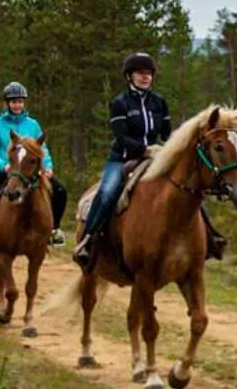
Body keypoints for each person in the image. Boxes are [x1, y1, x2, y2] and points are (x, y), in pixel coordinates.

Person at [73, 53, 171, 268]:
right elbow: (121, 136)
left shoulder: (159, 102)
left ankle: (208, 238)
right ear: (130, 76)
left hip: (155, 158)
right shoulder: (120, 103)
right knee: (107, 192)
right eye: (140, 73)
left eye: (148, 74)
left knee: (184, 185)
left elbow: (166, 133)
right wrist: (144, 150)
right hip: (123, 159)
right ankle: (88, 240)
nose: (145, 77)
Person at [0, 81, 69, 254]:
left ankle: (54, 230)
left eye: (20, 101)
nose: (17, 105)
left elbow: (42, 148)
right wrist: (3, 166)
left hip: (30, 171)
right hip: (5, 169)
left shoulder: (33, 124)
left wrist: (48, 166)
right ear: (6, 103)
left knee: (60, 191)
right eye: (14, 101)